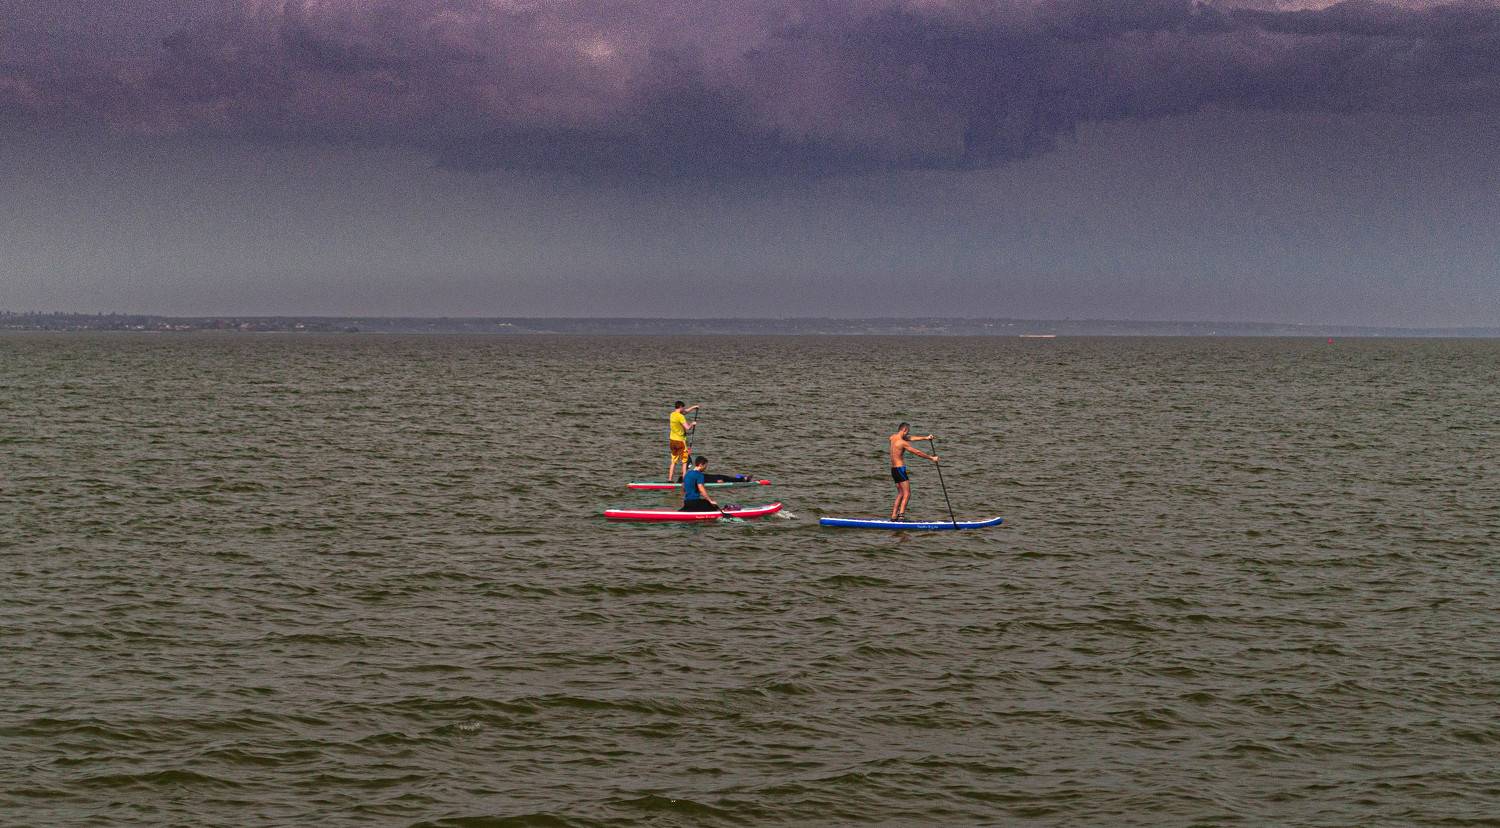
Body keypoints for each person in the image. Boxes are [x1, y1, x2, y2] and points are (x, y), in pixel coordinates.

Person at [889, 422, 938, 521]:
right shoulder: (903, 443)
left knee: (900, 493)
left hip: (893, 470)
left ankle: (894, 515)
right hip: (900, 469)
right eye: (907, 432)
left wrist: (926, 438)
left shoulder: (892, 438)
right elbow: (917, 452)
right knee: (907, 493)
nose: (908, 434)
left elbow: (910, 438)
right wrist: (931, 458)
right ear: (905, 430)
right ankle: (901, 516)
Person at [668, 401, 700, 482]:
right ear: (680, 407)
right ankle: (685, 480)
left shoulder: (672, 414)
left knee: (673, 461)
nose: (684, 409)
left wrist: (694, 407)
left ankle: (670, 479)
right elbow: (687, 428)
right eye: (683, 408)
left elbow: (685, 412)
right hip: (680, 442)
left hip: (672, 441)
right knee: (685, 461)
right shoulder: (681, 417)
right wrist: (692, 424)